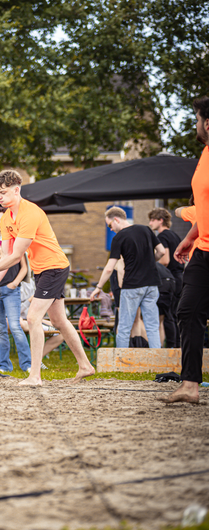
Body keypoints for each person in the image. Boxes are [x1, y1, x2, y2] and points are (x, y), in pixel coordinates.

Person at [0, 169, 95, 386]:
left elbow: (16, 257)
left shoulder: (30, 213)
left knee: (33, 318)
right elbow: (5, 256)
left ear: (17, 190)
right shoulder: (7, 217)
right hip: (42, 270)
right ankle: (85, 366)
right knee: (58, 320)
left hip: (55, 267)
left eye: (4, 192)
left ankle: (34, 376)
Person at [160, 96, 209, 404]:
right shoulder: (205, 154)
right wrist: (190, 236)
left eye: (196, 119)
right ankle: (190, 384)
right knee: (187, 311)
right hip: (202, 250)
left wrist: (183, 213)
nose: (195, 125)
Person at [90, 207, 165, 348]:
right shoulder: (146, 230)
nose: (110, 229)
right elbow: (161, 251)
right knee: (152, 326)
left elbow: (109, 268)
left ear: (116, 219)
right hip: (151, 284)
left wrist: (98, 287)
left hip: (132, 286)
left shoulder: (119, 238)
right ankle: (156, 361)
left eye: (110, 225)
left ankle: (121, 361)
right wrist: (149, 261)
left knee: (124, 327)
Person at [0, 207, 31, 373]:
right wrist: (1, 258)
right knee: (0, 329)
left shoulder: (17, 241)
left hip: (11, 290)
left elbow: (24, 268)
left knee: (16, 327)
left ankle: (27, 364)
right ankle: (4, 365)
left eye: (2, 219)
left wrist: (15, 283)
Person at [148, 207, 183, 345]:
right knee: (175, 314)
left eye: (152, 220)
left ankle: (172, 347)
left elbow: (165, 260)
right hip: (180, 277)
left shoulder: (162, 237)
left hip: (170, 278)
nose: (150, 223)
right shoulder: (175, 235)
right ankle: (178, 345)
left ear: (160, 221)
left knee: (168, 315)